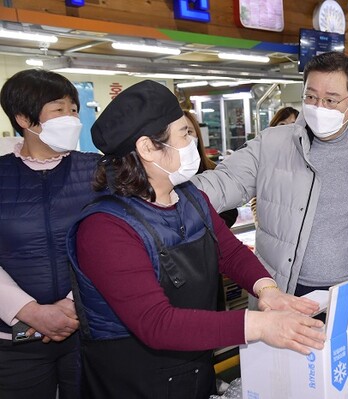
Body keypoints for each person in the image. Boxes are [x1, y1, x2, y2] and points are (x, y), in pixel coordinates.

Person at [66, 80, 325, 398]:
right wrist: (259, 325)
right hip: (133, 380)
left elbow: (228, 251)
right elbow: (156, 323)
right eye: (184, 134)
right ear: (148, 148)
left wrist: (267, 289)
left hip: (193, 365)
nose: (192, 141)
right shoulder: (105, 228)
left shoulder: (189, 196)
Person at [191, 51, 348, 301]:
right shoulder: (272, 144)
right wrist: (163, 194)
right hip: (285, 292)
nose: (319, 107)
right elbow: (225, 182)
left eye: (331, 100)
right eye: (311, 97)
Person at [0, 69, 101, 398]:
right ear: (24, 119)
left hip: (88, 329)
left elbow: (112, 244)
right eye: (59, 109)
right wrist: (28, 310)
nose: (72, 117)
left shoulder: (98, 170)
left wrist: (73, 305)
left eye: (74, 109)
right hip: (15, 341)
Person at [183, 110, 239, 227]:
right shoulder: (166, 174)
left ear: (198, 135)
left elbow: (230, 212)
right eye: (181, 133)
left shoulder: (213, 170)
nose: (186, 137)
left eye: (189, 132)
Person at [250, 106, 299, 226]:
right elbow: (255, 198)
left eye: (293, 124)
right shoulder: (263, 156)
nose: (287, 129)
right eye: (282, 124)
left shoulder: (308, 158)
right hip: (271, 225)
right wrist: (261, 223)